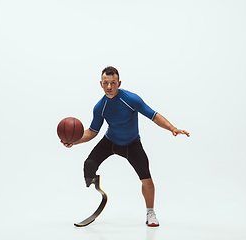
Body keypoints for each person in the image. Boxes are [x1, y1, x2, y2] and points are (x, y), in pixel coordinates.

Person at [61, 66, 190, 227]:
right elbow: (92, 132)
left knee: (147, 180)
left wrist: (172, 128)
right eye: (106, 83)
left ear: (119, 83)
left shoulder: (131, 99)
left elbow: (153, 115)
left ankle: (150, 212)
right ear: (101, 84)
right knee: (89, 164)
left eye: (113, 83)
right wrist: (74, 141)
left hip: (132, 144)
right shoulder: (100, 107)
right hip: (110, 142)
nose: (109, 87)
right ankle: (96, 186)